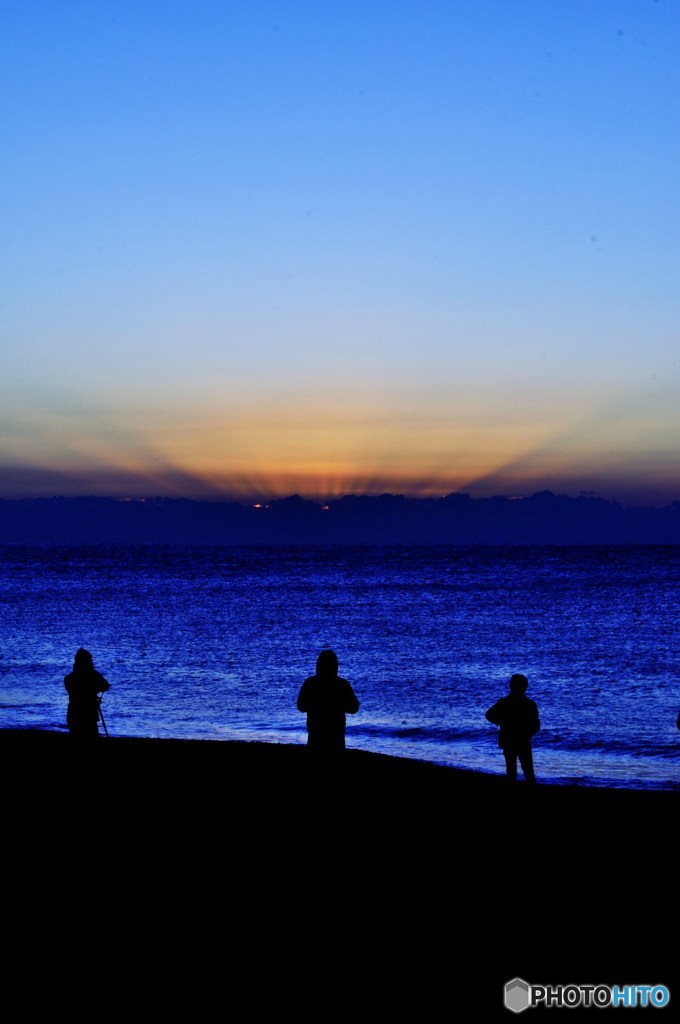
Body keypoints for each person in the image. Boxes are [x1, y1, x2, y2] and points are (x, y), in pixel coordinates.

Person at [296, 649, 360, 753]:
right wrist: (340, 706)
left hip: (316, 732)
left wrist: (314, 706)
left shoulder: (310, 683)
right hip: (335, 733)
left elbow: (300, 705)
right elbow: (354, 707)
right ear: (336, 666)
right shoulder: (342, 684)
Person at [485, 673, 540, 783]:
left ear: (511, 687)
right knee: (529, 773)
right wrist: (529, 733)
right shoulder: (530, 704)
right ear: (524, 687)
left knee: (511, 772)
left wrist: (500, 722)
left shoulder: (504, 702)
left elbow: (489, 715)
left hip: (509, 740)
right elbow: (536, 725)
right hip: (523, 741)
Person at [64, 648, 110, 740]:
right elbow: (105, 686)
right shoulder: (93, 675)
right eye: (90, 661)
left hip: (73, 715)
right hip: (89, 716)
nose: (92, 663)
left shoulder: (68, 678)